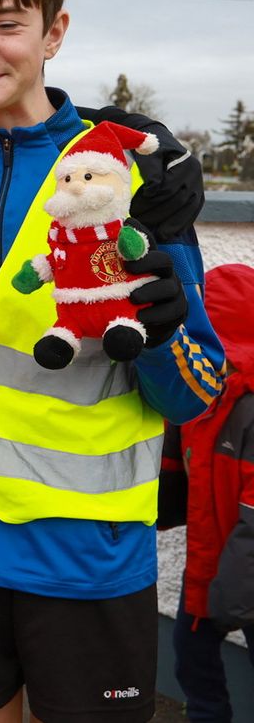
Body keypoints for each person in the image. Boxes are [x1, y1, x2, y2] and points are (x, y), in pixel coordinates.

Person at [0, 0, 225, 722]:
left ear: (55, 32)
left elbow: (194, 393)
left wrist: (165, 331)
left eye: (7, 23)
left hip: (85, 560)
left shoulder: (124, 174)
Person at [159, 263, 254, 722]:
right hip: (209, 566)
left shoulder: (247, 406)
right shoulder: (202, 391)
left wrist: (231, 598)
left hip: (241, 575)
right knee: (192, 663)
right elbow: (175, 462)